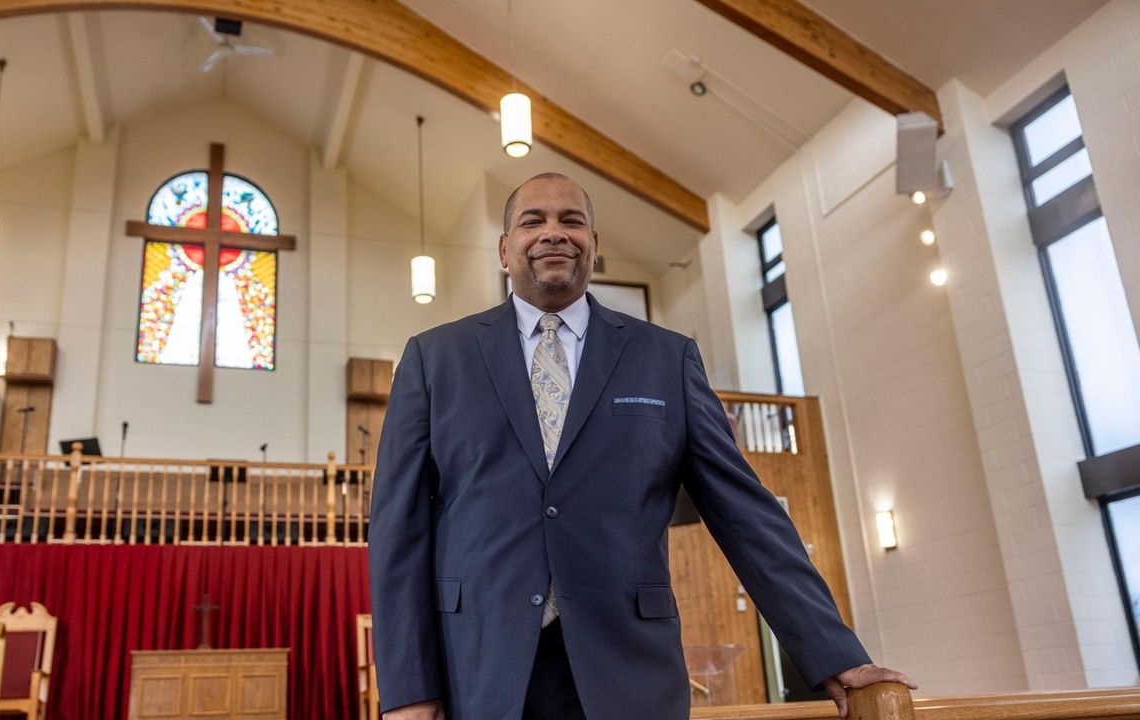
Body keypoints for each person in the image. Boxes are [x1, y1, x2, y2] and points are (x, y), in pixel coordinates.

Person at [368, 173, 914, 720]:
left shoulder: (666, 359)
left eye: (572, 220)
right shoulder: (434, 359)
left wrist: (835, 653)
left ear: (595, 245)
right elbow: (400, 533)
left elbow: (747, 514)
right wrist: (410, 691)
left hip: (629, 672)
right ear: (505, 248)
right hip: (480, 670)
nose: (553, 233)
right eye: (533, 221)